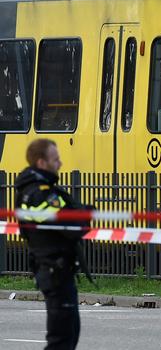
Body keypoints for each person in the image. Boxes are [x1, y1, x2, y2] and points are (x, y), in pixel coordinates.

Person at [15, 139, 92, 349]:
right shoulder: (37, 193)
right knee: (61, 340)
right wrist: (82, 217)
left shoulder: (45, 189)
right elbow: (69, 225)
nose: (60, 164)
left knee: (70, 334)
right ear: (41, 162)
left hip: (60, 271)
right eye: (55, 159)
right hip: (53, 271)